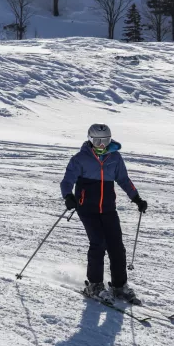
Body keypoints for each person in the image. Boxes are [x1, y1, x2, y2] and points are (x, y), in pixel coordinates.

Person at [60, 124, 147, 304]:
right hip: (87, 209)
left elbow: (123, 179)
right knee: (98, 243)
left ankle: (119, 286)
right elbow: (67, 181)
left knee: (117, 246)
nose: (101, 145)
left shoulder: (114, 158)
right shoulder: (80, 159)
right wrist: (68, 196)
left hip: (108, 209)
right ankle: (95, 285)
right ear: (90, 140)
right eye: (97, 141)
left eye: (105, 141)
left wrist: (136, 198)